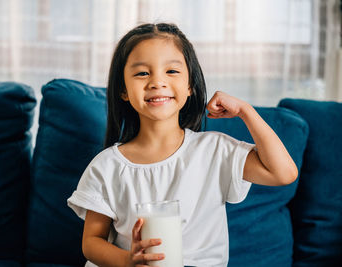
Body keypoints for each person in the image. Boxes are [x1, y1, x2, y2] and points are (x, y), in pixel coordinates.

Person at [67, 23, 298, 267]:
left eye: (172, 71)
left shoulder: (215, 151)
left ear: (190, 86)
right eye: (142, 73)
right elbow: (91, 242)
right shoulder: (107, 166)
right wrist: (129, 260)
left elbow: (283, 173)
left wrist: (246, 111)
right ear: (123, 90)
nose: (157, 82)